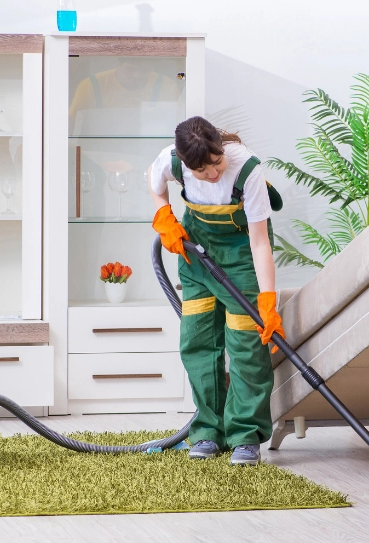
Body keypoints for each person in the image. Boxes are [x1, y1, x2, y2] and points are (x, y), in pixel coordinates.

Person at [148, 116, 284, 466]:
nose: (213, 174)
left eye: (216, 162)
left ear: (221, 150)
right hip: (196, 256)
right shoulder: (172, 160)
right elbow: (153, 181)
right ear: (185, 163)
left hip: (241, 257)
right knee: (198, 341)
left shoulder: (246, 169)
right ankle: (208, 430)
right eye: (202, 170)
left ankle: (245, 436)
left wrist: (268, 300)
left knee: (246, 348)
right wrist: (164, 214)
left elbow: (259, 242)